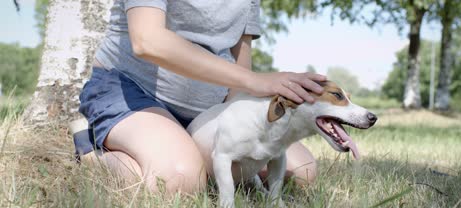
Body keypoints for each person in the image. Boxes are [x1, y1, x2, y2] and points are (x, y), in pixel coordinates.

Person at [74, 0, 326, 194]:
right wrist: (258, 81)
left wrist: (237, 121)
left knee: (299, 171)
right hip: (132, 90)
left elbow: (241, 63)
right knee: (179, 181)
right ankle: (90, 153)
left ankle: (183, 150)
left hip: (206, 109)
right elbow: (147, 40)